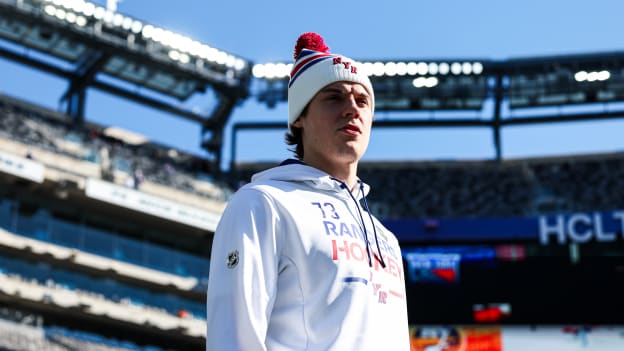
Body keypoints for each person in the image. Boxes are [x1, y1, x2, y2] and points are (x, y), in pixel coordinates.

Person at [206, 32, 410, 351]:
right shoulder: (263, 203)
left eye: (362, 100)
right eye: (334, 97)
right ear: (300, 116)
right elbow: (232, 337)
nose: (351, 109)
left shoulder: (387, 239)